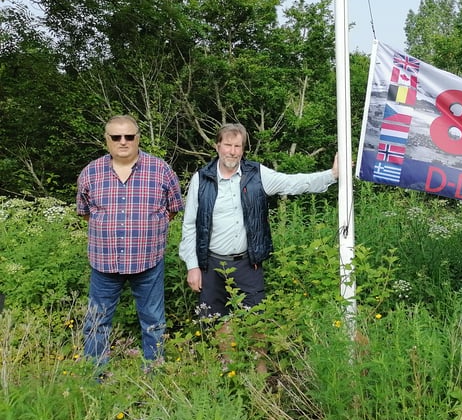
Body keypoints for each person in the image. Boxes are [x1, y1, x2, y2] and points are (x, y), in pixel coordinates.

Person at [179, 123, 338, 319]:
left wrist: (331, 175)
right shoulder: (201, 179)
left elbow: (291, 183)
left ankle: (254, 351)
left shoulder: (256, 174)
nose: (232, 151)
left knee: (257, 322)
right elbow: (189, 226)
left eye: (238, 146)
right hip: (211, 266)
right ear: (217, 146)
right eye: (228, 145)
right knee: (214, 324)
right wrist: (192, 266)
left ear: (243, 149)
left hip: (247, 265)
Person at [76, 115, 184, 371]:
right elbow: (86, 212)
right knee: (96, 321)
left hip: (148, 260)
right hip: (104, 261)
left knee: (153, 319)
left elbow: (172, 210)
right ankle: (95, 373)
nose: (123, 142)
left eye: (129, 136)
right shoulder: (90, 172)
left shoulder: (161, 170)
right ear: (107, 140)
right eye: (116, 137)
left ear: (138, 138)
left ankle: (154, 372)